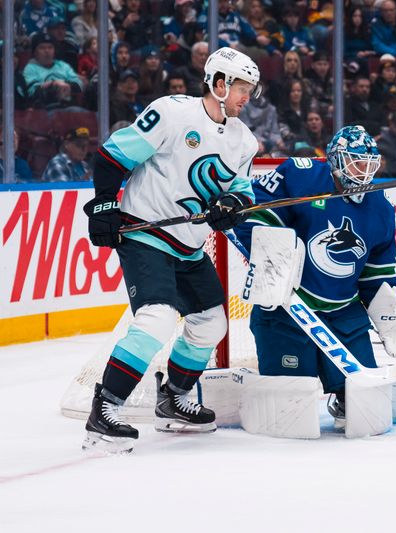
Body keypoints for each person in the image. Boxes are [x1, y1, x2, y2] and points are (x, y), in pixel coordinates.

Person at [80, 47, 261, 453]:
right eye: (242, 88)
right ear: (219, 84)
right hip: (146, 234)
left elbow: (242, 192)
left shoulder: (244, 141)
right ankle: (105, 407)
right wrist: (106, 203)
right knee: (157, 319)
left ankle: (174, 398)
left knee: (211, 324)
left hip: (190, 247)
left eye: (251, 89)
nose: (247, 97)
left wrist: (232, 206)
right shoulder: (172, 113)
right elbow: (112, 156)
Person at [230, 125, 396, 430]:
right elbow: (255, 211)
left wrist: (393, 315)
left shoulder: (381, 207)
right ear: (336, 160)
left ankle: (341, 394)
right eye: (356, 163)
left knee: (362, 399)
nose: (364, 172)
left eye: (369, 164)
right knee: (289, 403)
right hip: (287, 311)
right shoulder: (301, 175)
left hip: (343, 316)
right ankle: (250, 386)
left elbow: (376, 277)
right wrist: (273, 253)